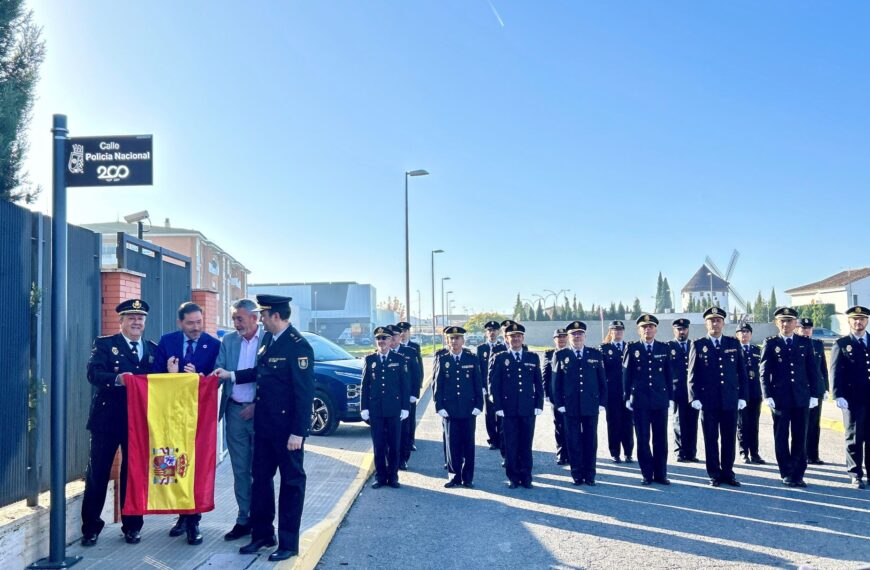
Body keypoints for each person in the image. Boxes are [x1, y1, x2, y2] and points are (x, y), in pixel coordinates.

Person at [214, 294, 315, 561]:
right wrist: (231, 375)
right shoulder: (269, 342)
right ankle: (262, 535)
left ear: (276, 317)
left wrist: (299, 432)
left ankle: (289, 543)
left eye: (265, 316)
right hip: (265, 427)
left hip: (287, 431)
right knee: (260, 481)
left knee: (291, 484)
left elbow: (304, 394)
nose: (262, 321)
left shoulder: (298, 346)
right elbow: (260, 372)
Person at [80, 299, 156, 546]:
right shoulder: (105, 344)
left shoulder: (153, 349)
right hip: (107, 420)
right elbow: (93, 373)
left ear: (145, 322)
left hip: (138, 422)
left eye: (140, 318)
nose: (136, 322)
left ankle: (132, 526)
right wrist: (117, 379)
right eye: (131, 317)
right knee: (98, 473)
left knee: (133, 475)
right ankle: (91, 527)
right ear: (121, 321)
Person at [153, 301, 220, 545]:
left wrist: (200, 380)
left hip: (199, 420)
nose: (195, 328)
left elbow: (216, 381)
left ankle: (194, 521)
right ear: (180, 322)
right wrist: (170, 377)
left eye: (199, 322)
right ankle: (181, 515)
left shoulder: (213, 345)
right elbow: (153, 377)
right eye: (190, 323)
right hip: (172, 418)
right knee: (175, 464)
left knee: (196, 467)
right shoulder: (167, 341)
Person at [214, 299, 263, 541]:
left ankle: (261, 520)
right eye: (233, 318)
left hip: (260, 413)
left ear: (254, 318)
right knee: (240, 470)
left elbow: (270, 377)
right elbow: (219, 368)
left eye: (239, 318)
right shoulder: (229, 341)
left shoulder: (268, 341)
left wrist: (256, 405)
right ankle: (243, 519)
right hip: (234, 413)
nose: (235, 323)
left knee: (261, 470)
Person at [759, 307, 821, 488]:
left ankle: (798, 473)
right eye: (782, 321)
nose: (785, 324)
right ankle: (786, 472)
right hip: (780, 398)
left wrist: (814, 394)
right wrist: (767, 394)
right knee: (781, 436)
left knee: (800, 436)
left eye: (789, 321)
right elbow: (764, 372)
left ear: (796, 323)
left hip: (801, 397)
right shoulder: (771, 343)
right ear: (777, 323)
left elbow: (812, 370)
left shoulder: (804, 342)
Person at [687, 307, 748, 487]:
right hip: (708, 401)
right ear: (706, 323)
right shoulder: (698, 345)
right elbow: (692, 374)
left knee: (729, 438)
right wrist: (694, 397)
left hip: (729, 400)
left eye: (718, 320)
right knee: (711, 438)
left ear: (723, 323)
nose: (715, 323)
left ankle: (728, 473)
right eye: (711, 320)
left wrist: (742, 396)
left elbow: (741, 373)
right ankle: (714, 473)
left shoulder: (733, 344)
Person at [489, 322, 543, 489]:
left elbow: (538, 384)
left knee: (526, 444)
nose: (516, 339)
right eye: (512, 336)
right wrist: (497, 406)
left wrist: (538, 404)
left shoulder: (532, 358)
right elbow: (494, 385)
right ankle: (513, 477)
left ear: (523, 338)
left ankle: (526, 476)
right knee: (511, 444)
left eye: (518, 336)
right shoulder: (500, 358)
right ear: (506, 338)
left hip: (528, 408)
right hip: (508, 409)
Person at [553, 321, 607, 485]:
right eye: (573, 334)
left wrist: (602, 402)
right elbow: (556, 383)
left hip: (590, 405)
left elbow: (601, 381)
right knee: (573, 441)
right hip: (570, 406)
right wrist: (559, 403)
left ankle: (590, 475)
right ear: (569, 337)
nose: (577, 336)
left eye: (580, 333)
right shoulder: (561, 355)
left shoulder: (595, 354)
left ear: (585, 336)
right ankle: (577, 474)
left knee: (591, 441)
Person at [623, 314, 674, 485]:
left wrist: (671, 397)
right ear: (639, 330)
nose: (647, 329)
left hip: (660, 400)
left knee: (660, 439)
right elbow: (626, 375)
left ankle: (661, 474)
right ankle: (647, 474)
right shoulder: (632, 348)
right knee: (643, 439)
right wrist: (627, 397)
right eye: (644, 327)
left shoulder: (663, 348)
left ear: (656, 329)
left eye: (651, 326)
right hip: (640, 401)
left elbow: (669, 374)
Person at [434, 326, 484, 488]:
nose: (454, 341)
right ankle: (454, 477)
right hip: (449, 411)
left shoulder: (472, 359)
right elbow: (438, 385)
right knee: (452, 444)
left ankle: (468, 478)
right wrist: (439, 406)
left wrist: (479, 405)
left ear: (463, 340)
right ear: (447, 341)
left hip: (469, 410)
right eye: (451, 339)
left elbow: (478, 384)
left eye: (457, 338)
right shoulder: (443, 359)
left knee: (468, 444)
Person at [361, 326, 410, 489]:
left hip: (394, 409)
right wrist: (364, 407)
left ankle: (393, 476)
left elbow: (405, 385)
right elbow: (365, 386)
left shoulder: (399, 359)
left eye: (385, 338)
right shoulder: (370, 360)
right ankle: (380, 476)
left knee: (394, 445)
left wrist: (405, 407)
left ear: (391, 341)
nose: (381, 342)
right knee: (379, 445)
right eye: (379, 339)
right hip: (376, 410)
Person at [830, 305, 870, 489]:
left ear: (867, 321)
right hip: (853, 399)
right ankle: (855, 474)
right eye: (855, 319)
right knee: (854, 437)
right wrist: (838, 394)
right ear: (849, 321)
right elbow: (835, 371)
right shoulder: (842, 344)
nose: (858, 322)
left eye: (862, 318)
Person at [796, 317, 830, 465]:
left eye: (808, 328)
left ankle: (813, 455)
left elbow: (823, 369)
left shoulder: (818, 344)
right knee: (801, 423)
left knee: (815, 424)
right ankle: (801, 454)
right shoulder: (795, 344)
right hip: (801, 390)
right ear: (798, 329)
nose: (805, 331)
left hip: (816, 390)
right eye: (803, 328)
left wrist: (826, 388)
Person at [390, 324, 421, 471]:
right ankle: (389, 459)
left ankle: (403, 459)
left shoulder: (409, 352)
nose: (395, 338)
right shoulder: (383, 353)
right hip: (389, 400)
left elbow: (417, 374)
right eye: (392, 336)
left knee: (404, 429)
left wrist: (414, 394)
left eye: (396, 335)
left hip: (406, 398)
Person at [602, 320, 633, 463]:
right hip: (612, 393)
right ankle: (615, 452)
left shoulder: (631, 347)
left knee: (628, 423)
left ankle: (628, 452)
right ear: (611, 332)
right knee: (613, 423)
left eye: (620, 330)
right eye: (615, 330)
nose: (618, 332)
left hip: (628, 393)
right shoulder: (604, 349)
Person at [668, 318, 699, 463]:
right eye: (679, 329)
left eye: (684, 329)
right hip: (677, 389)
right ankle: (679, 451)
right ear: (674, 330)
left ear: (688, 330)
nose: (682, 332)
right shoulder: (669, 346)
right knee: (679, 421)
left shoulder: (694, 345)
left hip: (693, 391)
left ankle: (691, 452)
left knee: (692, 421)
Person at [736, 322, 766, 464]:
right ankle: (744, 452)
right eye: (741, 332)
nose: (745, 334)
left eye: (747, 331)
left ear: (751, 334)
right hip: (741, 394)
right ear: (737, 335)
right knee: (742, 424)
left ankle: (755, 453)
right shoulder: (734, 350)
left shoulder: (756, 350)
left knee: (754, 424)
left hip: (755, 393)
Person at [477, 321, 506, 450]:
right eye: (489, 330)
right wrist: (482, 386)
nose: (492, 333)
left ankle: (501, 438)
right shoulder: (481, 349)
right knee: (489, 414)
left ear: (498, 332)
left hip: (500, 387)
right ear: (486, 333)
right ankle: (493, 439)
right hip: (486, 388)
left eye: (494, 330)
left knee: (500, 412)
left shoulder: (503, 348)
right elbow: (478, 370)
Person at [543, 328, 570, 465]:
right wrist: (546, 394)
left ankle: (571, 453)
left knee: (571, 426)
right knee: (559, 425)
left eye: (564, 337)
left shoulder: (571, 353)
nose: (561, 339)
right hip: (555, 396)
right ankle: (561, 453)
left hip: (571, 396)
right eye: (558, 337)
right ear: (554, 339)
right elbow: (545, 375)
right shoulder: (549, 354)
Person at [397, 321, 424, 453]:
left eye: (405, 331)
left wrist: (417, 389)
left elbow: (419, 370)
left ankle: (410, 440)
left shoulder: (414, 347)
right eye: (400, 331)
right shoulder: (393, 347)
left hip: (410, 390)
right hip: (399, 391)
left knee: (411, 417)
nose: (402, 334)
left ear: (409, 332)